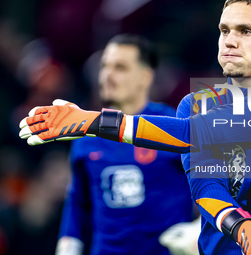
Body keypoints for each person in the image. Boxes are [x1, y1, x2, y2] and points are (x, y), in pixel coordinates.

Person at [19, 1, 251, 255]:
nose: (231, 40)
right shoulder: (195, 104)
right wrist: (242, 230)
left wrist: (93, 122)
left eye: (246, 31)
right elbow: (206, 184)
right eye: (225, 30)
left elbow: (193, 135)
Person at [51, 34, 197, 255]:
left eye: (120, 67)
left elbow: (220, 186)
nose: (107, 75)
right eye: (105, 66)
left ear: (145, 77)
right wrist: (68, 247)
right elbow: (78, 202)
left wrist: (198, 229)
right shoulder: (87, 135)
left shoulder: (173, 128)